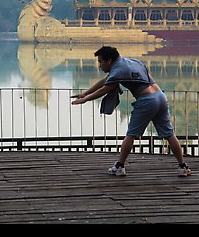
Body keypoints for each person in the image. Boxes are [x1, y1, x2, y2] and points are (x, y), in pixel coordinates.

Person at [71, 45, 191, 177]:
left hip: (146, 100)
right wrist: (85, 94)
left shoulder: (118, 70)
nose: (99, 65)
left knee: (131, 134)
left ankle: (119, 166)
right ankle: (182, 166)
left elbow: (105, 89)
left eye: (100, 61)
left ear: (109, 61)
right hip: (160, 96)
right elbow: (105, 81)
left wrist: (85, 100)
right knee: (169, 134)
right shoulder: (132, 63)